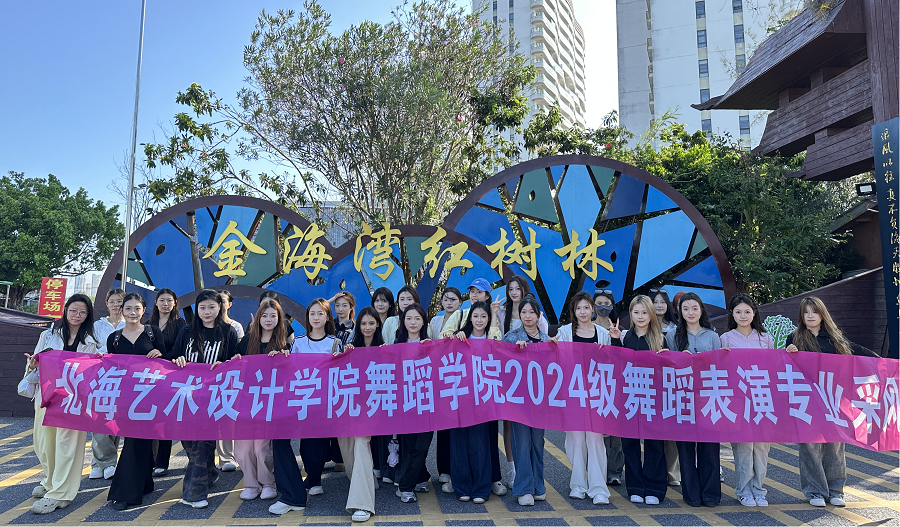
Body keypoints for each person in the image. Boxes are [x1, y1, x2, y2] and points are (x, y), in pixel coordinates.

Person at [785, 296, 877, 508]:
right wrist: (789, 353)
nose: (810, 316)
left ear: (822, 314)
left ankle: (836, 490)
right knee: (810, 446)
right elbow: (787, 368)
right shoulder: (794, 338)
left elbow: (858, 352)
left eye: (814, 311)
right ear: (801, 315)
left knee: (835, 445)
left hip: (834, 399)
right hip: (807, 400)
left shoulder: (835, 337)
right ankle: (815, 491)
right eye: (806, 312)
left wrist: (885, 364)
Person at [24, 293, 100, 514]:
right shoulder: (48, 335)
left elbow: (98, 369)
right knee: (44, 445)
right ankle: (50, 481)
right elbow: (34, 364)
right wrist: (31, 365)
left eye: (82, 312)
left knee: (68, 446)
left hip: (74, 400)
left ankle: (60, 494)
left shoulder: (93, 340)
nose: (77, 315)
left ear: (88, 315)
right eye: (73, 310)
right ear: (65, 310)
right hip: (48, 397)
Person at [167, 289, 241, 509]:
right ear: (197, 309)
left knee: (201, 444)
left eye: (211, 307)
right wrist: (177, 359)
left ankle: (194, 494)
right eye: (202, 307)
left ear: (220, 307)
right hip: (187, 397)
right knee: (191, 445)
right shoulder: (187, 331)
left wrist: (227, 363)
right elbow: (172, 356)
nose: (207, 311)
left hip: (212, 398)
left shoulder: (228, 331)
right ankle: (209, 472)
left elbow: (235, 362)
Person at [439, 278, 507, 497]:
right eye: (475, 316)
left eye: (483, 316)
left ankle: (482, 487)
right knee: (458, 442)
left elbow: (497, 342)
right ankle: (461, 486)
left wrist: (493, 314)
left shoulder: (491, 335)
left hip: (483, 398)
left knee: (481, 443)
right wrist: (453, 336)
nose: (479, 320)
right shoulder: (461, 333)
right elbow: (442, 340)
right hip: (459, 395)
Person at [106, 293, 166, 511]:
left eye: (137, 308)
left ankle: (134, 489)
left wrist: (159, 354)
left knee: (141, 441)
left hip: (150, 397)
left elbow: (166, 364)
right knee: (134, 441)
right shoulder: (113, 338)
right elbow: (111, 369)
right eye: (128, 308)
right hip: (125, 399)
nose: (133, 313)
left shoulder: (153, 333)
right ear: (121, 310)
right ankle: (135, 488)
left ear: (144, 310)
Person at [554, 292, 612, 505]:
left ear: (592, 309)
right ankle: (578, 484)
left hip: (597, 393)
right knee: (576, 440)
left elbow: (611, 362)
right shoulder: (564, 332)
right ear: (574, 311)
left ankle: (599, 488)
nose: (583, 312)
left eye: (586, 307)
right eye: (578, 308)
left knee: (595, 440)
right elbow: (557, 360)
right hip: (573, 393)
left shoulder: (603, 333)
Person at [609, 295, 667, 506]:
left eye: (644, 312)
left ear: (651, 314)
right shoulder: (624, 337)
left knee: (655, 444)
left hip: (654, 398)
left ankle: (654, 487)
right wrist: (615, 340)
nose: (640, 316)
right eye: (636, 312)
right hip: (629, 397)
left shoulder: (660, 338)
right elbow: (615, 363)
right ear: (630, 315)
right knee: (630, 444)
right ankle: (635, 486)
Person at [666, 293, 722, 508]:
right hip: (683, 397)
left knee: (709, 448)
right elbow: (668, 365)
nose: (690, 312)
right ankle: (691, 495)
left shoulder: (712, 336)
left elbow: (719, 367)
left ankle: (711, 494)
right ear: (679, 312)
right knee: (686, 449)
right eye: (685, 308)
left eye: (694, 308)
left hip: (708, 396)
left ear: (701, 310)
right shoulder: (672, 335)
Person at [720, 293, 774, 507]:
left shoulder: (765, 338)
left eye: (747, 311)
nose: (743, 316)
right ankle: (743, 491)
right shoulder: (726, 338)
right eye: (738, 312)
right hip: (738, 399)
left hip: (762, 398)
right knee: (743, 448)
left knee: (761, 448)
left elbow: (774, 368)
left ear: (754, 313)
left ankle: (759, 490)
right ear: (732, 315)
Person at [233, 299, 290, 502]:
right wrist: (235, 361)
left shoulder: (284, 343)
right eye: (264, 315)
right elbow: (231, 365)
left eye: (273, 316)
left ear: (279, 319)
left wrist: (284, 358)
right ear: (258, 318)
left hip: (269, 403)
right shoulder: (247, 341)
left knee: (261, 447)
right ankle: (250, 483)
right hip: (246, 401)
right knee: (244, 448)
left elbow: (290, 373)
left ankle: (268, 482)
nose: (268, 319)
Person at [336, 306, 383, 522]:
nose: (367, 327)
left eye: (371, 323)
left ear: (378, 325)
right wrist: (342, 357)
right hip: (350, 405)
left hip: (373, 406)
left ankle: (362, 503)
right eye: (363, 323)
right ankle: (365, 479)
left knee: (361, 442)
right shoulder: (350, 347)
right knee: (347, 446)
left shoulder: (384, 348)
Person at [502, 295, 550, 506]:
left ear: (538, 315)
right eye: (523, 312)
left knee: (538, 443)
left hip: (540, 400)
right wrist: (514, 351)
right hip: (518, 400)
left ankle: (538, 486)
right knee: (521, 443)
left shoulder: (548, 340)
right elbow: (499, 363)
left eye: (531, 312)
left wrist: (555, 349)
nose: (527, 316)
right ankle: (524, 489)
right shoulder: (511, 337)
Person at [394, 303, 434, 503]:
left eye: (417, 318)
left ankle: (405, 486)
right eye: (409, 318)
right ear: (403, 321)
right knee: (410, 448)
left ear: (423, 322)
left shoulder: (431, 345)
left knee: (422, 446)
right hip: (406, 405)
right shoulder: (396, 346)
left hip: (427, 404)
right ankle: (420, 477)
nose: (413, 322)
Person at [90, 288, 126, 481]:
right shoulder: (98, 325)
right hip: (99, 375)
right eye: (112, 301)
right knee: (99, 418)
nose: (116, 305)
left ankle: (100, 463)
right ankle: (105, 462)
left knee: (115, 419)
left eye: (119, 301)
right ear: (106, 303)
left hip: (122, 377)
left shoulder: (130, 323)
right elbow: (90, 347)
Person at [148, 288, 185, 476]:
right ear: (156, 302)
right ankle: (149, 460)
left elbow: (180, 349)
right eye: (162, 300)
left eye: (169, 300)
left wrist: (164, 357)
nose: (165, 304)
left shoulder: (180, 324)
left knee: (165, 419)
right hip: (148, 377)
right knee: (148, 418)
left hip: (170, 377)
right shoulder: (147, 323)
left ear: (175, 303)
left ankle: (162, 462)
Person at [428, 286, 462, 492]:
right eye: (446, 299)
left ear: (460, 302)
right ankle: (443, 470)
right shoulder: (435, 321)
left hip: (457, 377)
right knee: (442, 424)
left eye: (453, 299)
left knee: (456, 425)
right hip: (438, 377)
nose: (449, 302)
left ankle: (456, 467)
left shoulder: (463, 319)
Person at [592, 290, 625, 487]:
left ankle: (615, 471)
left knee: (617, 431)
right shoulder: (588, 328)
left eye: (607, 303)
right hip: (594, 384)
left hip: (616, 384)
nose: (603, 307)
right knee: (597, 430)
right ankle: (599, 469)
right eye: (599, 303)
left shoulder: (621, 330)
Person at [650, 288, 681, 487]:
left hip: (672, 383)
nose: (659, 305)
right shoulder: (644, 325)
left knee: (672, 431)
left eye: (662, 302)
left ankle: (673, 472)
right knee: (654, 431)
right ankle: (656, 471)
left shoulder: (676, 328)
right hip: (650, 384)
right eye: (655, 302)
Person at [216, 290, 244, 473]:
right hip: (205, 378)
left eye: (223, 301)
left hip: (228, 378)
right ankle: (201, 457)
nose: (219, 304)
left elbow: (238, 351)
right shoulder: (202, 325)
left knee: (225, 415)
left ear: (229, 304)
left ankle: (227, 457)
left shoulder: (235, 327)